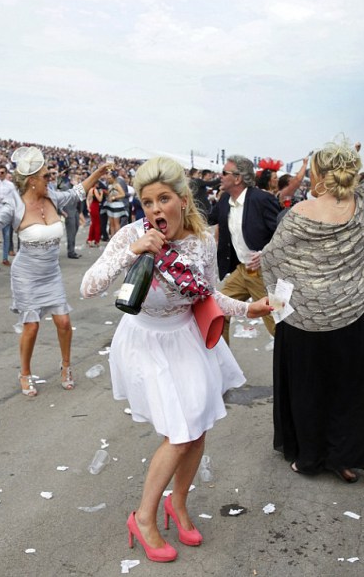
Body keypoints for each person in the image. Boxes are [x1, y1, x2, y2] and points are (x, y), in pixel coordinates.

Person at [80, 156, 271, 563]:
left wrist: (249, 308)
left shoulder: (202, 241)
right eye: (147, 202)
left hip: (187, 337)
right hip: (146, 340)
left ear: (183, 200)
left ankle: (178, 504)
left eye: (163, 199)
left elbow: (208, 295)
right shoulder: (133, 235)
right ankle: (143, 517)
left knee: (197, 428)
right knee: (181, 433)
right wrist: (132, 251)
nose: (155, 210)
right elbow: (88, 286)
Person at [261, 122, 364, 484]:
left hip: (304, 320)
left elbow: (272, 262)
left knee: (310, 387)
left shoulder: (299, 214)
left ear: (318, 175)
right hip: (354, 312)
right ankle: (346, 459)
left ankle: (309, 458)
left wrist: (280, 311)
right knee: (349, 388)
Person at [0, 147, 109, 396]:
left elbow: (78, 192)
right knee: (32, 326)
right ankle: (25, 373)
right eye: (46, 176)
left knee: (64, 321)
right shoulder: (13, 206)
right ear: (32, 181)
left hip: (51, 273)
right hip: (26, 273)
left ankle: (66, 366)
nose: (51, 179)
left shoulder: (53, 197)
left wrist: (99, 172)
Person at [207, 155, 279, 343]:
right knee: (217, 310)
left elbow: (283, 232)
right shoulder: (224, 201)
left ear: (238, 178)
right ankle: (223, 364)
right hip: (242, 269)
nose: (220, 176)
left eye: (225, 173)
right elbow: (207, 218)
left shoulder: (262, 199)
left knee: (279, 322)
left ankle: (297, 365)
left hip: (265, 273)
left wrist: (266, 253)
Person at [86, 182, 104, 247]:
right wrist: (101, 193)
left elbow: (87, 199)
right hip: (95, 207)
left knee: (93, 224)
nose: (98, 184)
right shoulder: (95, 190)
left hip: (92, 207)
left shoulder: (90, 190)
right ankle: (96, 240)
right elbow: (99, 199)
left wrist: (88, 207)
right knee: (97, 224)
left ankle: (90, 239)